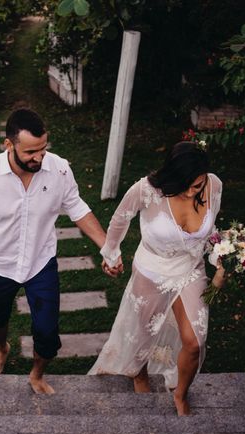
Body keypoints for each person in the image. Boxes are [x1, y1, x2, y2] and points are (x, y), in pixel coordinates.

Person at [0, 108, 107, 394]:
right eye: (31, 152)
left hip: (40, 262)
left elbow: (77, 208)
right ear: (9, 145)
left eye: (43, 149)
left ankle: (37, 374)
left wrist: (107, 247)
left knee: (47, 333)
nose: (39, 157)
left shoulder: (59, 169)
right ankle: (2, 348)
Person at [88, 141, 226, 415]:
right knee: (143, 333)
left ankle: (181, 394)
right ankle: (139, 374)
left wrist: (220, 259)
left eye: (196, 185)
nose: (190, 191)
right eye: (184, 184)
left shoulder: (214, 186)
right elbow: (120, 218)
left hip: (190, 271)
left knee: (195, 342)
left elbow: (211, 232)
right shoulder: (146, 189)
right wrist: (112, 254)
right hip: (151, 271)